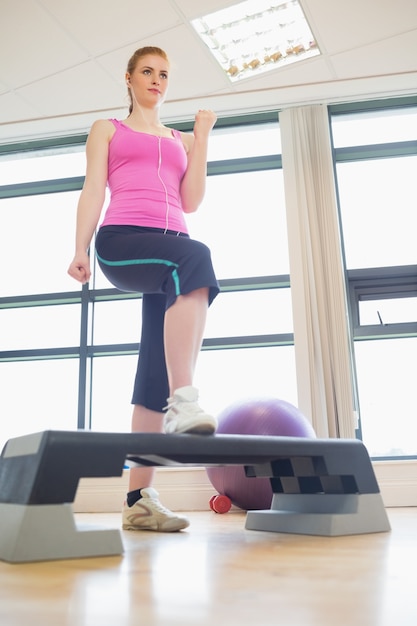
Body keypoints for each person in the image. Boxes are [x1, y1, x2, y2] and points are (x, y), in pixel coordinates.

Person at [68, 46, 219, 533]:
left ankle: (138, 498)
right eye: (148, 72)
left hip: (171, 249)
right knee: (198, 259)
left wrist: (201, 139)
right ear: (129, 79)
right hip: (124, 240)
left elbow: (191, 201)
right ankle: (185, 400)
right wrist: (81, 248)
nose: (157, 80)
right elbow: (93, 188)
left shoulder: (180, 138)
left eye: (164, 75)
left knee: (153, 369)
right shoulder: (108, 128)